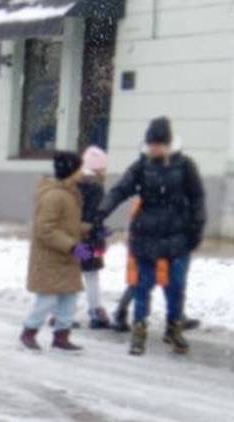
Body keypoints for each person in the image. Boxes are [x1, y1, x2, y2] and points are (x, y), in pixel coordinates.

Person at [97, 116, 206, 355]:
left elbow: (197, 199)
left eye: (158, 143)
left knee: (175, 287)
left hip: (177, 236)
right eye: (151, 143)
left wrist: (196, 230)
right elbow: (120, 190)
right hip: (146, 235)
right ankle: (139, 333)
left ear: (168, 143)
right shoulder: (141, 166)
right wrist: (101, 211)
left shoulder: (186, 166)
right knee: (143, 286)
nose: (154, 148)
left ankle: (174, 329)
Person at [20, 151, 88, 352]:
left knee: (70, 297)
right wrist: (72, 246)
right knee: (46, 300)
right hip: (51, 258)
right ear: (71, 171)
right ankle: (29, 332)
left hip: (65, 258)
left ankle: (61, 336)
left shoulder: (68, 193)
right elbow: (45, 229)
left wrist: (89, 229)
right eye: (79, 169)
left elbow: (67, 224)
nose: (82, 173)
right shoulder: (54, 196)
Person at [77, 145, 112, 329]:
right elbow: (95, 215)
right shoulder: (96, 188)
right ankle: (95, 312)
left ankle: (61, 313)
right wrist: (101, 232)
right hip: (90, 240)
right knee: (91, 275)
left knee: (72, 274)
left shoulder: (73, 183)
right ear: (99, 168)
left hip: (73, 238)